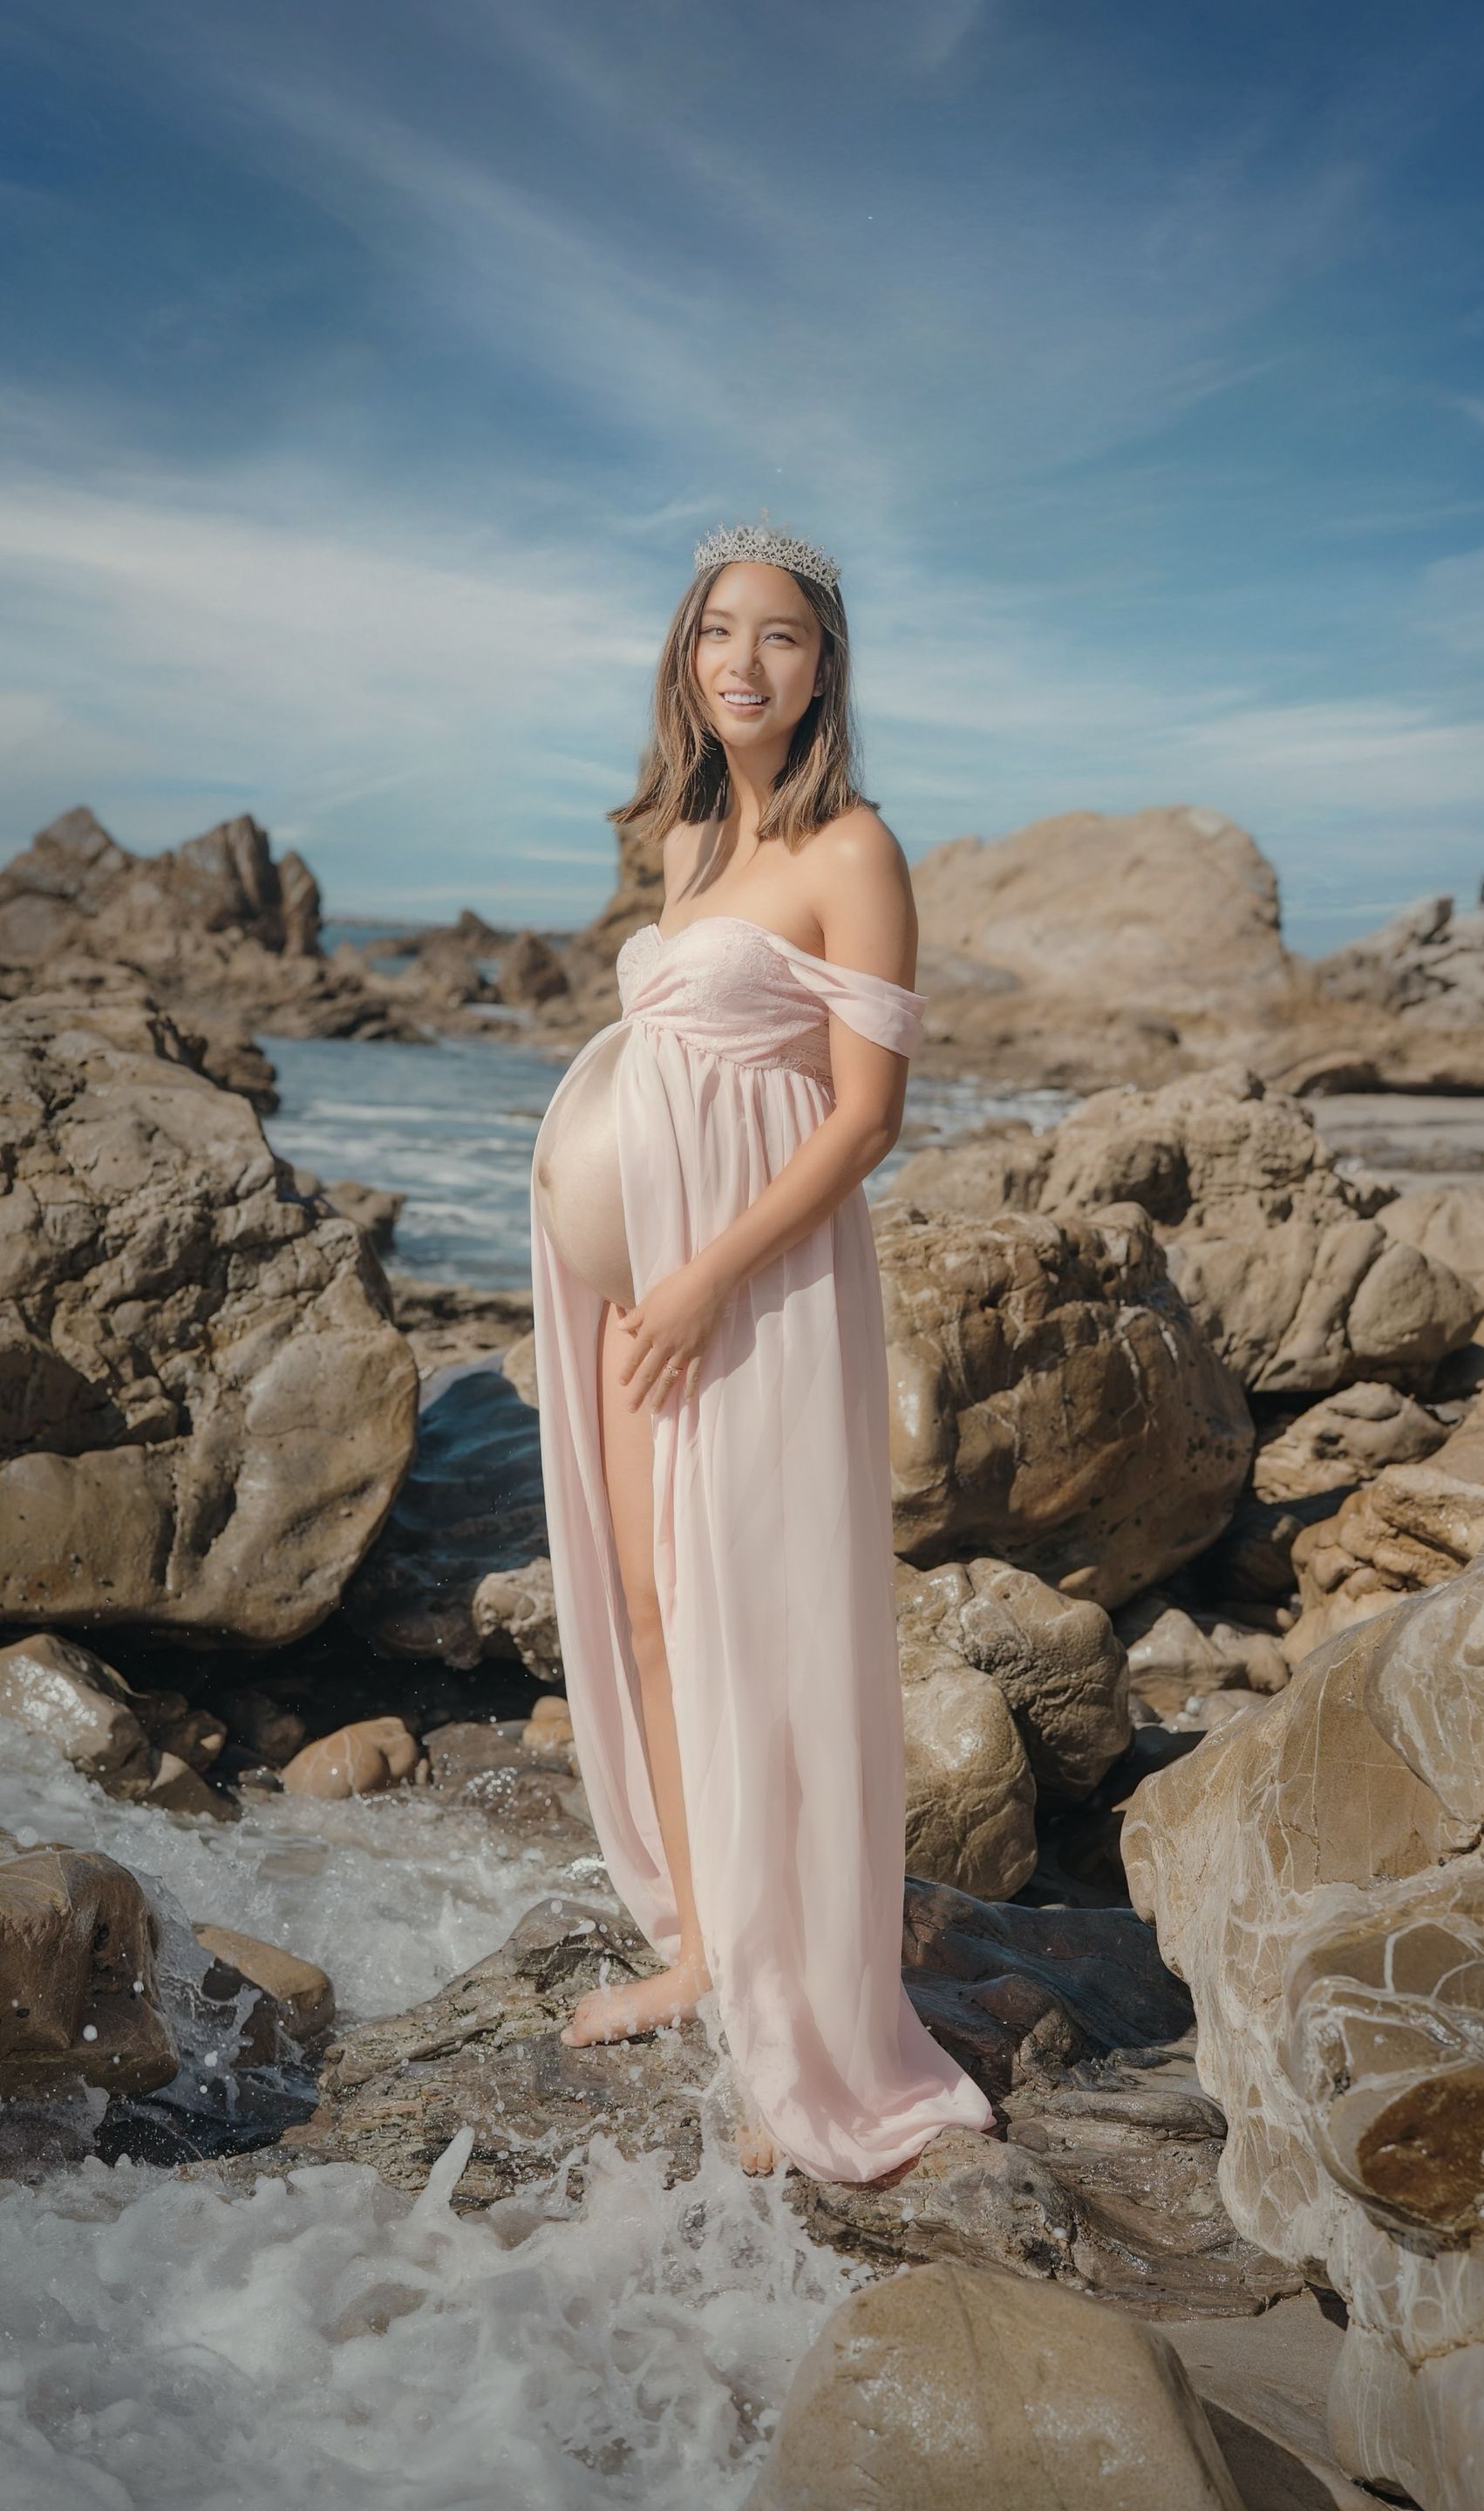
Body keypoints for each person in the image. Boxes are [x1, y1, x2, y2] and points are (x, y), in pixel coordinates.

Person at [528, 519, 994, 2180]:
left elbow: (863, 1118)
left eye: (781, 636)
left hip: (754, 1281)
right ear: (686, 658)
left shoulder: (852, 847)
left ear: (823, 671)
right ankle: (710, 1952)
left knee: (761, 1623)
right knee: (656, 1610)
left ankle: (799, 2016)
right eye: (720, 631)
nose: (745, 660)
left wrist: (708, 1274)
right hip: (636, 1289)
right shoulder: (687, 844)